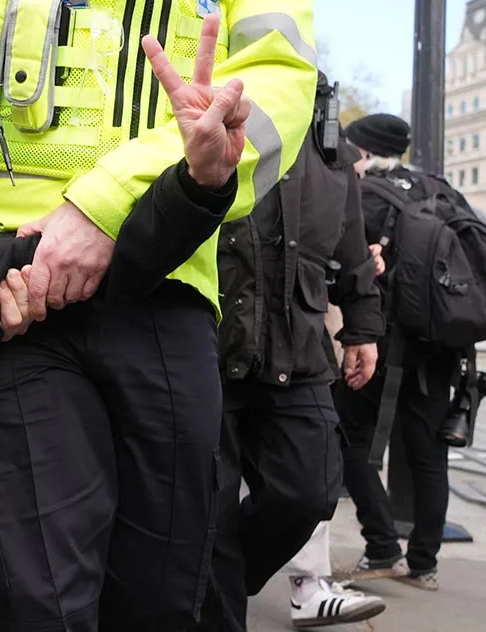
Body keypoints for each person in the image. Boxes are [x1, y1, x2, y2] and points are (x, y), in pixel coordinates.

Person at [0, 0, 317, 629]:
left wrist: (106, 205)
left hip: (172, 280)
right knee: (49, 602)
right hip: (15, 292)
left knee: (164, 602)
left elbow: (277, 88)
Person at [201, 76, 385, 631]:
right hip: (209, 339)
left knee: (309, 493)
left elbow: (351, 244)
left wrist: (362, 326)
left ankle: (214, 578)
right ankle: (210, 594)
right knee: (205, 517)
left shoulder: (331, 145)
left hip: (298, 344)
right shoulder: (221, 104)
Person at [337, 114, 469, 592]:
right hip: (441, 344)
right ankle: (424, 563)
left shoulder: (365, 195)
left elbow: (347, 262)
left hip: (385, 340)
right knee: (430, 455)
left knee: (348, 436)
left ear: (365, 150)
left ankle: (382, 548)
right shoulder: (439, 190)